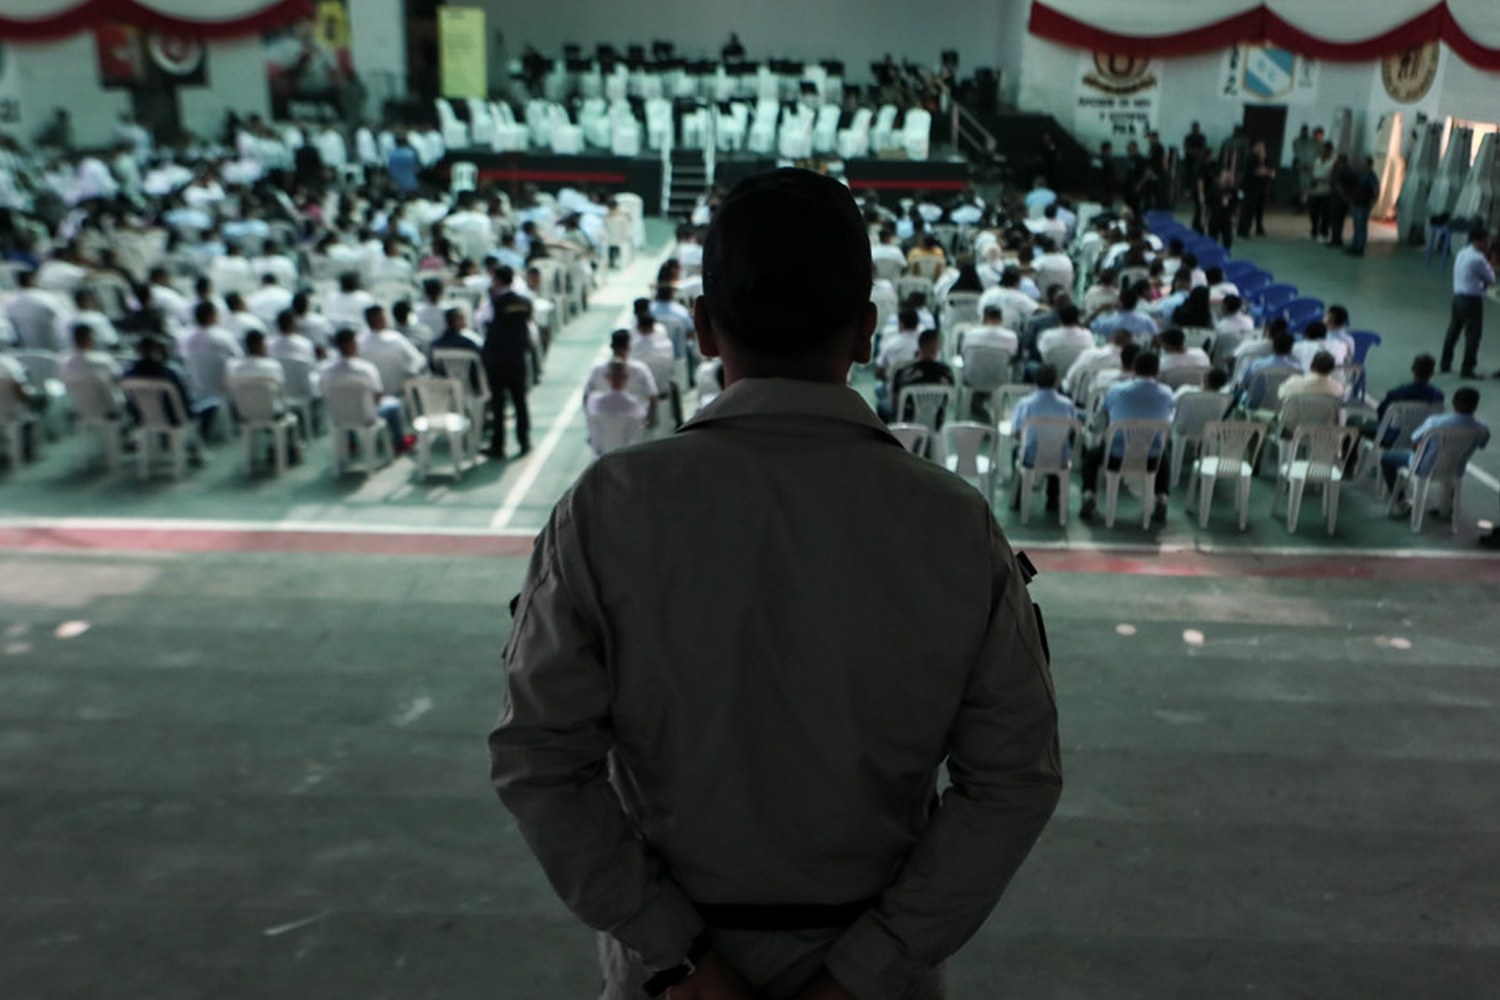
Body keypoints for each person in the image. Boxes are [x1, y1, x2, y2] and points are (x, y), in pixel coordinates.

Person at [489, 167, 1060, 1000]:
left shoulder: (609, 510)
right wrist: (870, 965)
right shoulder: (953, 524)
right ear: (866, 332)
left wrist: (677, 953)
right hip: (875, 973)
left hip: (670, 980)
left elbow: (539, 758)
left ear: (705, 329)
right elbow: (1013, 779)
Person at [1078, 349, 1175, 523]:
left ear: (1134, 369)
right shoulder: (1167, 393)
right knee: (1163, 453)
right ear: (1157, 370)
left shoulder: (1116, 390)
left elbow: (1098, 423)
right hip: (1150, 460)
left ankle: (1088, 495)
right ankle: (1162, 498)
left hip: (1115, 458)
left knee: (1091, 457)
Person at [1382, 387, 1489, 503]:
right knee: (1449, 471)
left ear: (1453, 402)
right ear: (1475, 405)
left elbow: (1414, 440)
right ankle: (1447, 506)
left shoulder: (1435, 422)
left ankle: (1399, 498)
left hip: (1425, 468)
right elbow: (1481, 445)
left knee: (1386, 458)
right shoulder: (1482, 429)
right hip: (1456, 469)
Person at [480, 265, 535, 458]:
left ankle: (498, 445)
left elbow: (481, 319)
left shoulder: (493, 302)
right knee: (520, 401)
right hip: (517, 358)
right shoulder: (525, 301)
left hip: (497, 359)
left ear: (497, 281)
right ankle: (524, 441)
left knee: (498, 403)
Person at [1007, 363, 1076, 511]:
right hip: (1060, 459)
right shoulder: (1067, 404)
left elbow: (1016, 432)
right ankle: (1053, 499)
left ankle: (1018, 497)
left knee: (1016, 452)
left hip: (1031, 458)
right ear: (1056, 381)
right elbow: (1070, 430)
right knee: (1058, 447)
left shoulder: (1025, 404)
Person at [1440, 229, 1494, 378]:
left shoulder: (1462, 252)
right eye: (1487, 240)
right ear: (1479, 241)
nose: (1488, 243)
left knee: (1453, 331)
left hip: (1457, 297)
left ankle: (1445, 363)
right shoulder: (1478, 259)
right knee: (1473, 336)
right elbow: (1491, 278)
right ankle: (1467, 368)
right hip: (1471, 300)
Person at [889, 327, 956, 424]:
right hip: (936, 423)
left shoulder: (903, 373)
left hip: (908, 423)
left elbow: (895, 403)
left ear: (919, 346)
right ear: (937, 347)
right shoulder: (947, 373)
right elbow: (948, 402)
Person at [1345, 157, 1380, 257]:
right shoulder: (1362, 174)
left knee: (1360, 226)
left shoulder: (1369, 176)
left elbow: (1376, 189)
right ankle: (1356, 245)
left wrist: (1373, 201)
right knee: (1357, 225)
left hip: (1363, 203)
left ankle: (1359, 247)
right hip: (1359, 202)